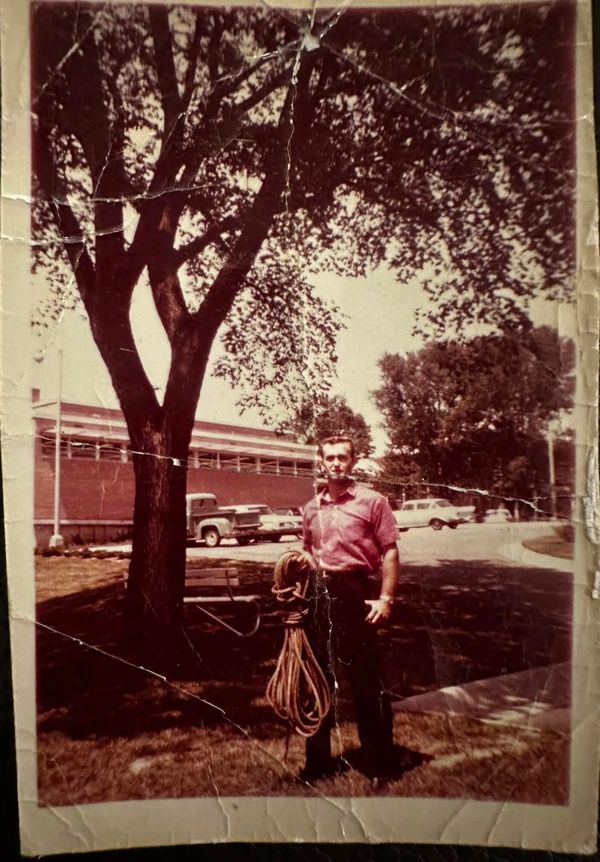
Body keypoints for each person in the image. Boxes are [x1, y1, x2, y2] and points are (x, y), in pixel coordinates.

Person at [301, 435, 400, 787]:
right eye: (330, 457)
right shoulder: (312, 507)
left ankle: (379, 766)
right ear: (321, 461)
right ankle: (316, 765)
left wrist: (385, 598)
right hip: (318, 596)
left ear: (354, 461)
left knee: (365, 682)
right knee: (315, 679)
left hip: (356, 590)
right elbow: (308, 552)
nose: (336, 463)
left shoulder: (373, 502)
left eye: (343, 457)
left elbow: (389, 552)